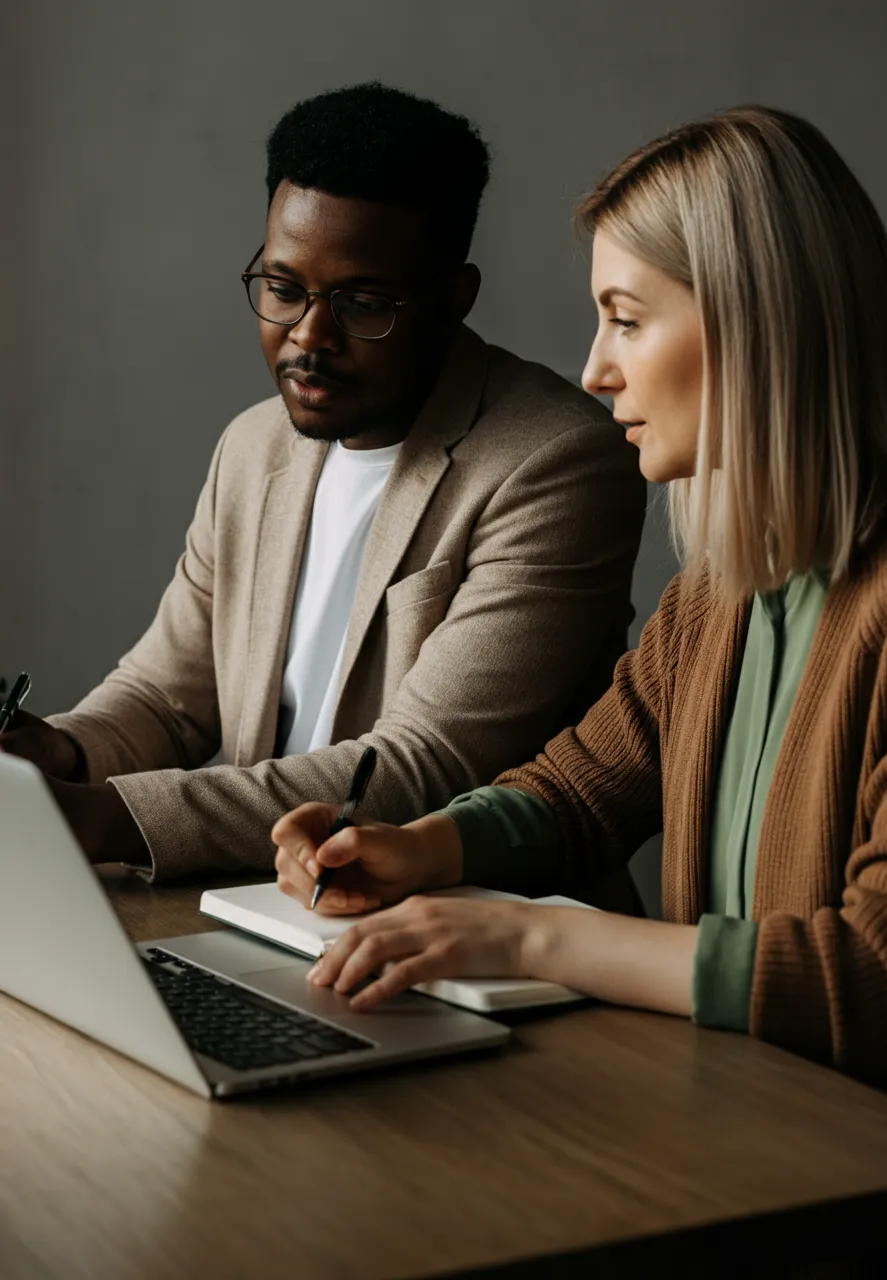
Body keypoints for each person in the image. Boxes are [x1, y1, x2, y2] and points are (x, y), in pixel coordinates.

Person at [272, 106, 887, 1086]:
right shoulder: (714, 597)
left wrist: (530, 939)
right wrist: (421, 848)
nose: (594, 369)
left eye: (626, 318)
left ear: (757, 321)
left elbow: (872, 976)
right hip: (729, 1122)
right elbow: (578, 787)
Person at [0, 83, 644, 887]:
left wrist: (91, 817)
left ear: (455, 297)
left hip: (468, 947)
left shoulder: (556, 462)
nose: (309, 336)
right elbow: (168, 698)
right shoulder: (253, 446)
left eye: (363, 302)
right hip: (256, 910)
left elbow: (420, 769)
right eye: (282, 288)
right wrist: (49, 755)